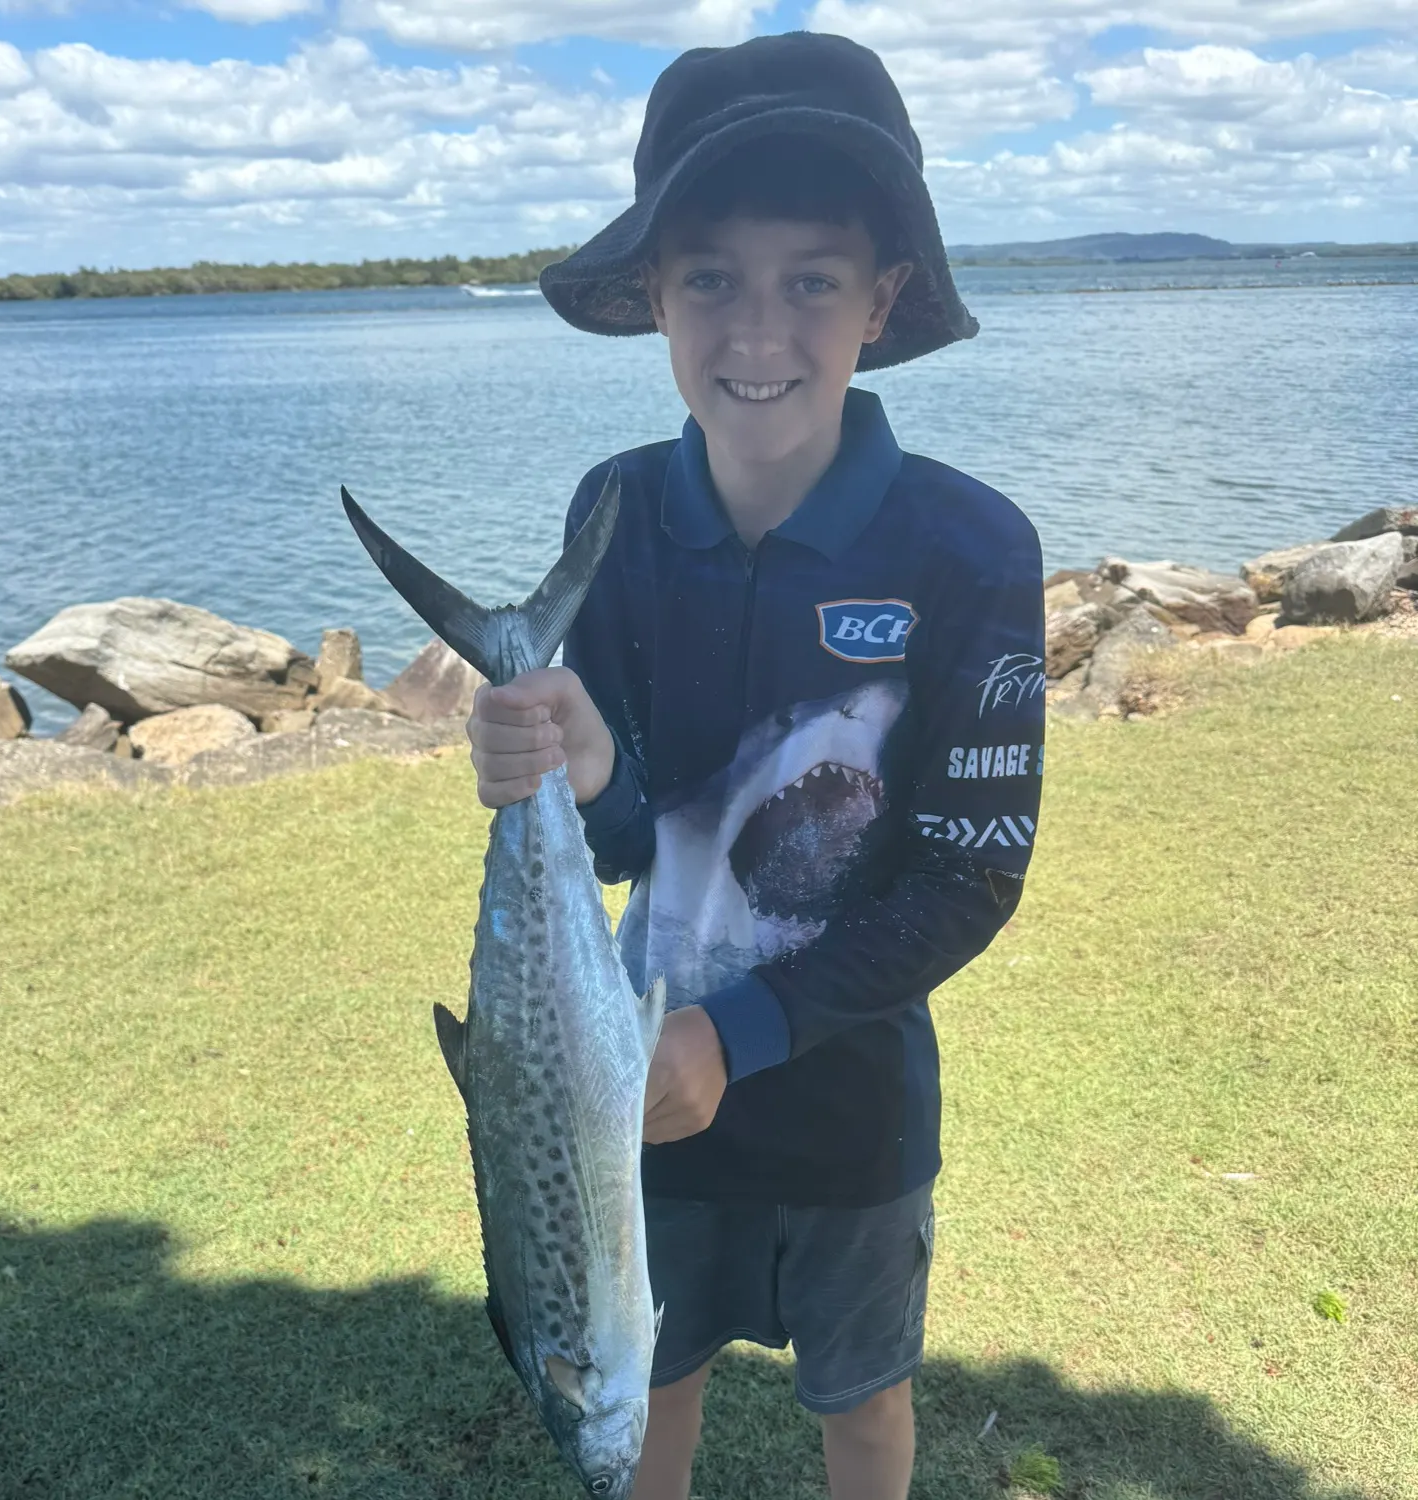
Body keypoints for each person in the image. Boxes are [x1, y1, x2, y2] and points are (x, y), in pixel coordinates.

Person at [466, 30, 1046, 1500]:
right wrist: (581, 764)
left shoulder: (969, 547)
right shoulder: (616, 510)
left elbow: (971, 877)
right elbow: (626, 835)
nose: (759, 334)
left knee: (864, 1403)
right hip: (627, 1084)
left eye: (813, 280)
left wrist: (743, 1034)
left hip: (854, 1093)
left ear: (884, 299)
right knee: (653, 1380)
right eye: (711, 277)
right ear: (654, 296)